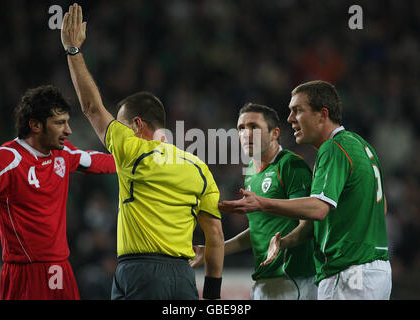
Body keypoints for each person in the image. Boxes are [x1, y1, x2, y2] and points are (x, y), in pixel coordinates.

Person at [61, 4, 224, 300]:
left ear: (137, 125)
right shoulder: (200, 168)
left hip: (141, 273)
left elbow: (91, 108)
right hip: (184, 277)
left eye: (121, 124)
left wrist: (73, 50)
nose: (116, 131)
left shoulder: (132, 149)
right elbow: (214, 236)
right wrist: (211, 296)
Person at [219, 80, 392, 300]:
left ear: (322, 114)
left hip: (348, 272)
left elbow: (318, 209)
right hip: (375, 271)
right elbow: (381, 206)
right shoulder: (362, 145)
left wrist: (262, 203)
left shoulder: (333, 148)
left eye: (297, 111)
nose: (290, 118)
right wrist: (284, 242)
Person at [0, 85, 116, 300]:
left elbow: (97, 161)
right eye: (60, 123)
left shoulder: (63, 152)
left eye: (67, 122)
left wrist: (140, 160)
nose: (68, 130)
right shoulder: (7, 159)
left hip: (59, 268)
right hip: (25, 272)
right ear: (35, 125)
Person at [190, 103, 317, 300]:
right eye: (241, 128)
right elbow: (258, 230)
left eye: (254, 127)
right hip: (264, 281)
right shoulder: (250, 171)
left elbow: (308, 224)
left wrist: (282, 244)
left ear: (274, 133)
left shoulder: (291, 166)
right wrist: (214, 250)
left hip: (292, 280)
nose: (246, 134)